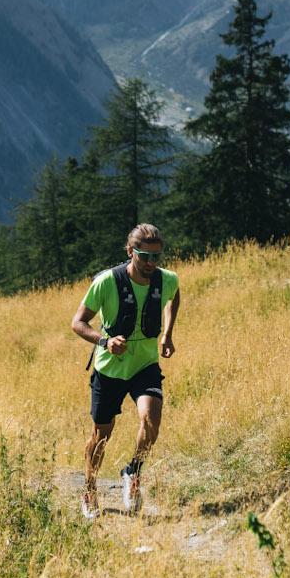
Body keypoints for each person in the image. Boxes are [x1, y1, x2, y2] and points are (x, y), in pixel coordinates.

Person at [69, 222, 179, 518]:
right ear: (131, 252)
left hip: (144, 365)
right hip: (109, 370)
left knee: (151, 419)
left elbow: (174, 295)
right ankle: (90, 489)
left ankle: (133, 473)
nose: (151, 263)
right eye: (144, 256)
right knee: (101, 435)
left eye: (157, 256)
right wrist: (104, 341)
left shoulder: (165, 279)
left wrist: (167, 333)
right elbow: (78, 323)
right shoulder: (106, 282)